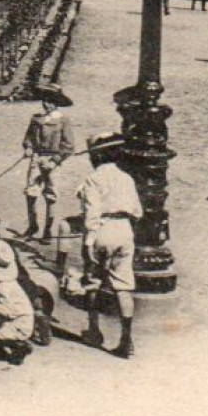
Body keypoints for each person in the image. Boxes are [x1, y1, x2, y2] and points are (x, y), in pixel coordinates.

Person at [78, 132, 143, 358]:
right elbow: (137, 212)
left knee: (93, 281)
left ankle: (94, 330)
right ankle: (126, 339)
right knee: (123, 286)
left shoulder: (93, 179)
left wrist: (88, 240)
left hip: (102, 230)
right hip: (124, 230)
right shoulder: (127, 178)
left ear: (96, 156)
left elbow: (91, 212)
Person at [21, 83, 76, 239]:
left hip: (53, 162)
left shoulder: (63, 121)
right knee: (30, 193)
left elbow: (69, 146)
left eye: (51, 101)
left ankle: (48, 230)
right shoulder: (36, 119)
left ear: (57, 103)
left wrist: (54, 161)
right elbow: (28, 138)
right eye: (45, 100)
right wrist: (28, 148)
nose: (47, 104)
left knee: (51, 196)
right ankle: (32, 227)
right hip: (36, 158)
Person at [0, 241, 35, 366]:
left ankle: (17, 345)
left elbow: (8, 310)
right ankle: (14, 342)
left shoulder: (3, 287)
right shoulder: (10, 283)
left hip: (19, 324)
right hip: (22, 319)